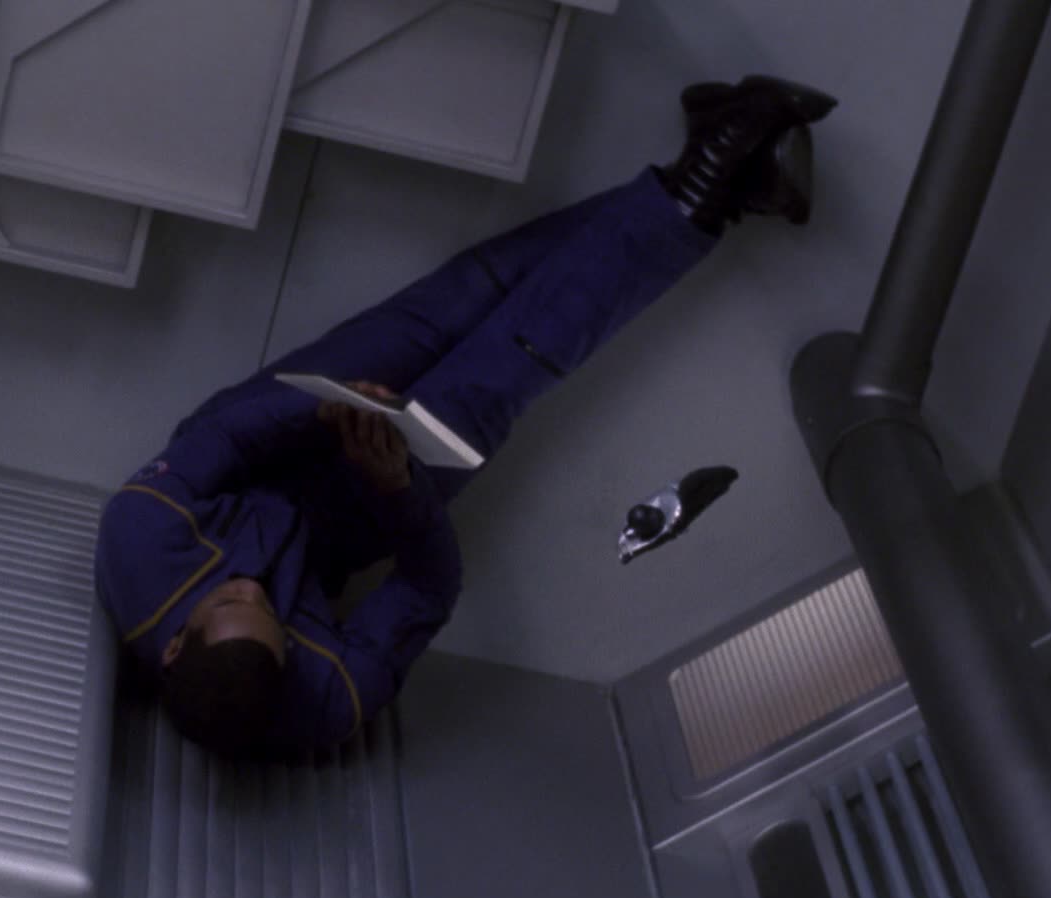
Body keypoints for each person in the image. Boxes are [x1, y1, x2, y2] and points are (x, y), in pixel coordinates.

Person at [96, 76, 838, 757]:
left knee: (466, 296)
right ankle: (717, 164)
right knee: (511, 359)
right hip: (359, 511)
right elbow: (429, 589)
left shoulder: (136, 541)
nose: (255, 589)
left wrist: (329, 407)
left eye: (232, 596)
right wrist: (397, 489)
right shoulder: (325, 701)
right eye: (271, 616)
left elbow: (223, 436)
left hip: (266, 437)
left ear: (174, 644)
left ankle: (712, 183)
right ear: (287, 656)